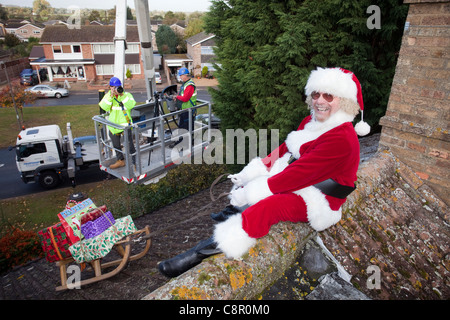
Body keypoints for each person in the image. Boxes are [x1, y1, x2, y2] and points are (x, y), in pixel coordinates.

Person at [158, 67, 371, 278]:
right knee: (247, 186)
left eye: (328, 96)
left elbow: (298, 175)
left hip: (319, 198)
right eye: (316, 94)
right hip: (302, 180)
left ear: (344, 101)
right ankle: (234, 211)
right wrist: (248, 175)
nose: (319, 101)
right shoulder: (310, 121)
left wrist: (251, 191)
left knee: (267, 207)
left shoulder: (341, 138)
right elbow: (284, 150)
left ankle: (197, 255)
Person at [99, 77, 137, 169]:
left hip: (125, 125)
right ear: (110, 87)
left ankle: (135, 162)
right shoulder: (109, 96)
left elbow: (131, 105)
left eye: (118, 87)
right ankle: (120, 160)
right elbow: (104, 107)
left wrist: (122, 95)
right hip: (113, 126)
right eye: (114, 87)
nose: (116, 89)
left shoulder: (126, 95)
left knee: (129, 145)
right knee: (116, 145)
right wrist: (110, 96)